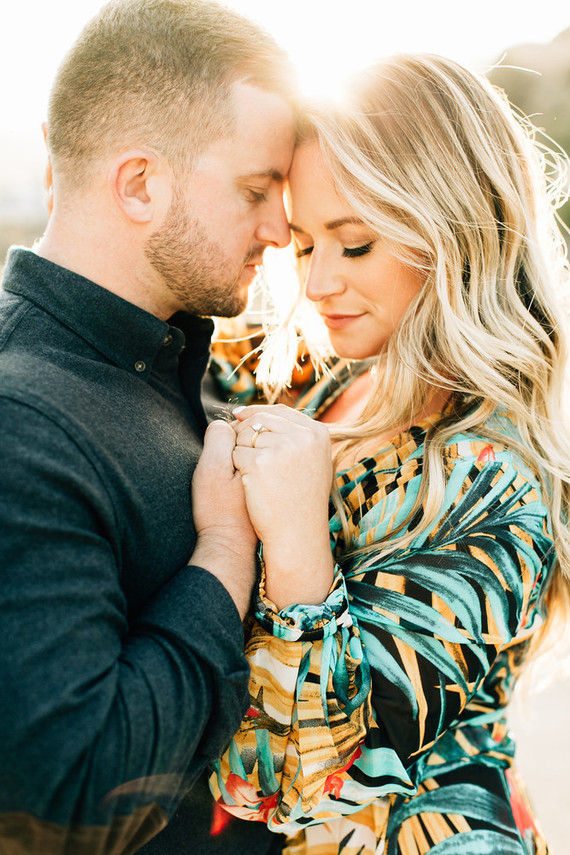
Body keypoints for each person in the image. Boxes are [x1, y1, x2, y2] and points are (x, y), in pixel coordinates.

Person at [204, 54, 570, 854]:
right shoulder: (322, 373)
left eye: (357, 244)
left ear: (453, 234)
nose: (320, 282)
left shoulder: (493, 477)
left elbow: (314, 776)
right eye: (305, 247)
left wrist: (299, 543)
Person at [0, 0, 298, 853]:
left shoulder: (177, 367)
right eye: (254, 191)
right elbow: (66, 806)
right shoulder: (22, 422)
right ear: (140, 184)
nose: (281, 229)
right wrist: (225, 553)